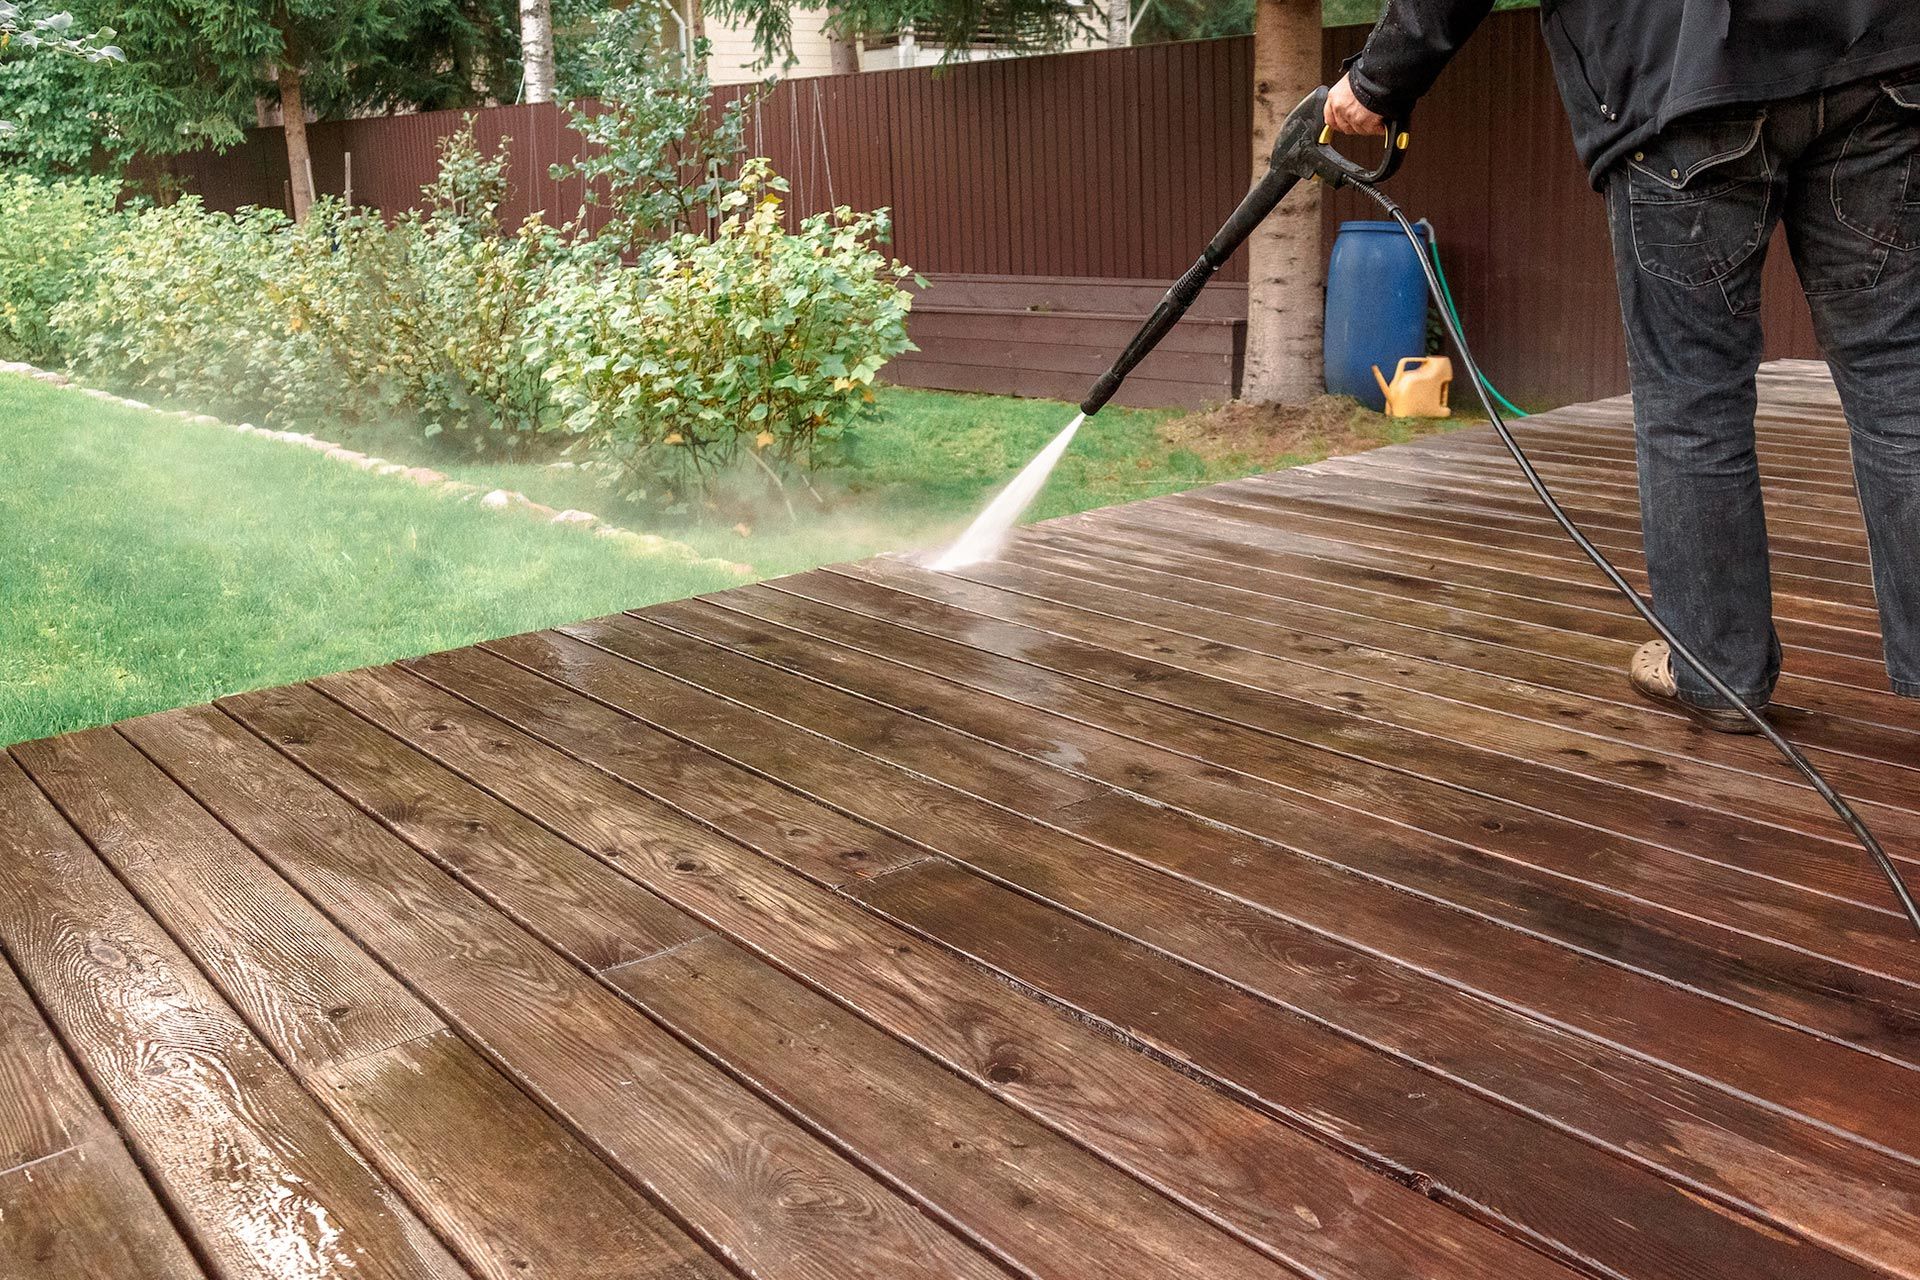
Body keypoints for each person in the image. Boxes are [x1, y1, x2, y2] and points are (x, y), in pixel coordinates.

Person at [1324, 2, 1920, 732]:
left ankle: (1718, 671)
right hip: (1877, 60)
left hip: (1679, 79)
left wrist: (1378, 81)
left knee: (1692, 399)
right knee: (1901, 379)